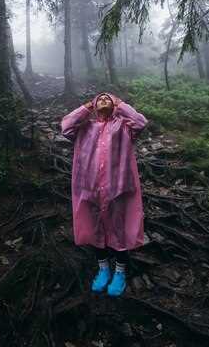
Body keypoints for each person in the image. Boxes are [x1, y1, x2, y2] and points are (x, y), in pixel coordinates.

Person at [60, 92, 148, 297]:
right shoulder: (85, 128)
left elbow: (141, 122)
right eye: (99, 99)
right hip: (89, 187)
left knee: (119, 230)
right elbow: (66, 127)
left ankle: (119, 273)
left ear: (115, 105)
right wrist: (87, 107)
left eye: (108, 99)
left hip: (118, 188)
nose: (103, 101)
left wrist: (121, 104)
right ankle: (103, 270)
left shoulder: (124, 127)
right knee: (95, 229)